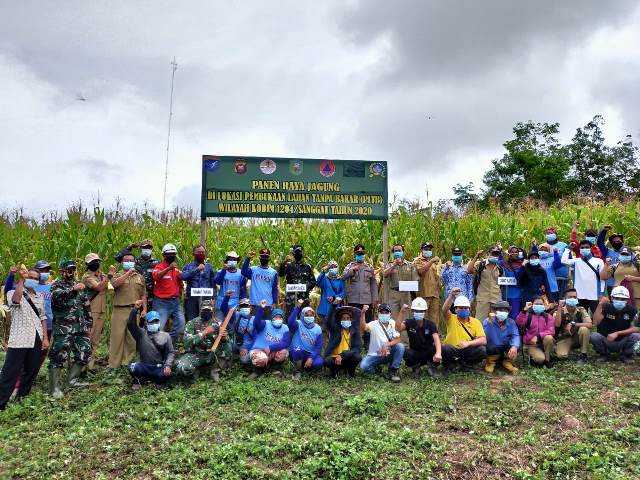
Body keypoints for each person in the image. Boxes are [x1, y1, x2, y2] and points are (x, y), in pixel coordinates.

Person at [0, 267, 48, 410]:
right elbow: (15, 300)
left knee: (31, 369)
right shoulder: (12, 292)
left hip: (36, 337)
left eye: (35, 279)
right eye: (30, 277)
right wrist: (20, 280)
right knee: (10, 371)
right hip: (20, 338)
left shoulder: (39, 297)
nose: (32, 280)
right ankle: (1, 402)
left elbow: (43, 317)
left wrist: (45, 337)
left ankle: (22, 396)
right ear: (25, 278)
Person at [48, 259, 93, 398]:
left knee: (84, 352)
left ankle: (71, 380)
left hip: (80, 326)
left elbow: (86, 304)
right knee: (59, 356)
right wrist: (73, 290)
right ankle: (54, 388)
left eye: (73, 269)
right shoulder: (56, 285)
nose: (71, 272)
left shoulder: (79, 285)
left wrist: (89, 323)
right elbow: (57, 297)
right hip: (63, 327)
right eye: (68, 269)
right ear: (62, 271)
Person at [175, 300, 232, 382]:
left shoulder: (218, 323)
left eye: (208, 310)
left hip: (213, 354)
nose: (206, 312)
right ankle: (195, 371)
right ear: (200, 311)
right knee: (182, 367)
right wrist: (204, 333)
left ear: (212, 311)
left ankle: (215, 370)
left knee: (228, 345)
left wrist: (223, 337)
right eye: (204, 310)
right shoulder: (192, 323)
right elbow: (187, 343)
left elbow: (225, 341)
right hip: (197, 353)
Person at [109, 252, 146, 370]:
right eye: (126, 260)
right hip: (119, 310)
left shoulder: (140, 277)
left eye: (131, 260)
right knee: (117, 338)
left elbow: (143, 294)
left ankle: (127, 364)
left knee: (131, 339)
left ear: (134, 262)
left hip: (134, 310)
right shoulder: (117, 275)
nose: (129, 262)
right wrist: (128, 273)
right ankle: (114, 365)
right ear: (122, 262)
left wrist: (144, 309)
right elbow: (114, 285)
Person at [127, 305, 174, 390]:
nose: (154, 324)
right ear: (146, 323)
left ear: (159, 322)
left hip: (158, 367)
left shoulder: (166, 336)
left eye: (156, 321)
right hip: (144, 365)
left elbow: (171, 352)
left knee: (165, 374)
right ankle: (139, 380)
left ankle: (159, 382)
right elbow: (130, 324)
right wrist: (134, 310)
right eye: (151, 322)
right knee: (133, 367)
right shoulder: (141, 333)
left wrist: (168, 365)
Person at [591, 286, 640, 363]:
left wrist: (617, 333)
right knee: (594, 336)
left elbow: (636, 328)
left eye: (623, 299)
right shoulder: (606, 307)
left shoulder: (632, 309)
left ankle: (626, 355)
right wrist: (600, 305)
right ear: (612, 298)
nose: (620, 301)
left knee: (637, 336)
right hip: (606, 339)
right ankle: (604, 354)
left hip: (623, 341)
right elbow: (596, 322)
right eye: (617, 298)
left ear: (627, 299)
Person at [440, 291, 487, 372]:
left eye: (466, 308)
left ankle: (466, 364)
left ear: (469, 309)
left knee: (482, 350)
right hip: (453, 349)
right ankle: (451, 365)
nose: (463, 310)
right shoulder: (451, 318)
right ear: (456, 309)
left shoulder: (476, 322)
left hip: (467, 349)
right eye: (461, 308)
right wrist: (451, 296)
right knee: (445, 349)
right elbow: (444, 309)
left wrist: (468, 343)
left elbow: (483, 340)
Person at [396, 298, 442, 378]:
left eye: (421, 311)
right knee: (405, 351)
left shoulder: (431, 324)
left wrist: (438, 353)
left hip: (428, 353)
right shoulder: (409, 323)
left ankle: (432, 367)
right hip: (415, 353)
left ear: (425, 312)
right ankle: (415, 368)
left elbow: (436, 338)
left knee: (439, 349)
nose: (418, 313)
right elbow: (398, 328)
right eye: (416, 311)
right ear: (413, 311)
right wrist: (402, 311)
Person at [359, 303, 404, 382]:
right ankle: (376, 369)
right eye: (381, 312)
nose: (384, 314)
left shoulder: (393, 323)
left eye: (386, 312)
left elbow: (398, 339)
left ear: (390, 314)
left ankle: (392, 371)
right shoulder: (374, 324)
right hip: (375, 355)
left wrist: (387, 345)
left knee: (400, 346)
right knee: (363, 366)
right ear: (378, 314)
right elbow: (363, 327)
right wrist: (363, 313)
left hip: (389, 353)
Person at [81, 253, 111, 371]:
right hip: (91, 310)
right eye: (93, 262)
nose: (96, 264)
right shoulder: (87, 277)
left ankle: (90, 365)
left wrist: (106, 276)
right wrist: (108, 276)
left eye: (97, 261)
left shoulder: (101, 275)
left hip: (101, 310)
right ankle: (82, 367)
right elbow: (98, 287)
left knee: (95, 340)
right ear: (87, 264)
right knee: (88, 338)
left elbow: (109, 287)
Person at [152, 243, 185, 346]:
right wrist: (168, 268)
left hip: (175, 302)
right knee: (158, 328)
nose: (172, 255)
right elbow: (156, 276)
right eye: (169, 254)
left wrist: (179, 295)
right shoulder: (159, 267)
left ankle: (168, 345)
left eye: (173, 254)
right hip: (162, 302)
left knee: (180, 325)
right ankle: (154, 350)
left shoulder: (176, 269)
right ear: (164, 255)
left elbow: (180, 284)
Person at [561, 239, 606, 314]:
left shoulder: (598, 261)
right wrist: (569, 248)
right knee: (580, 317)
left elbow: (602, 278)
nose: (584, 249)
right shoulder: (576, 261)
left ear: (591, 248)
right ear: (579, 249)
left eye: (586, 247)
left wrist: (602, 293)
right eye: (582, 247)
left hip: (594, 295)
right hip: (579, 295)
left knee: (597, 318)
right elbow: (563, 261)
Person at [248, 302, 290, 375]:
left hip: (272, 351)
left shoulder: (285, 327)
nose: (278, 319)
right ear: (271, 318)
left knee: (284, 352)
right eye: (275, 317)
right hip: (259, 349)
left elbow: (285, 343)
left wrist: (270, 348)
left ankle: (274, 368)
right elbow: (256, 323)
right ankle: (257, 371)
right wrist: (261, 309)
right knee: (261, 358)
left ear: (283, 319)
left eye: (280, 317)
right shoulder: (265, 323)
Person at [341, 244, 378, 324]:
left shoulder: (369, 267)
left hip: (366, 300)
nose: (360, 255)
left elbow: (373, 283)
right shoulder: (350, 266)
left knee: (367, 323)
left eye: (362, 254)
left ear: (364, 254)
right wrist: (353, 270)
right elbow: (343, 277)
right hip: (354, 300)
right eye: (358, 254)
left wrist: (375, 298)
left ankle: (366, 337)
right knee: (354, 322)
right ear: (355, 254)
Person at [323, 302, 362, 378]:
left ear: (351, 319)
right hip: (334, 357)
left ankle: (351, 372)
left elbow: (357, 348)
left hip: (347, 357)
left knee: (357, 357)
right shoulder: (335, 329)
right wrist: (333, 306)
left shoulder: (355, 331)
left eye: (348, 318)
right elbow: (328, 322)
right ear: (340, 320)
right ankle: (334, 372)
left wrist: (342, 356)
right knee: (327, 360)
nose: (346, 320)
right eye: (343, 318)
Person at [287, 300, 323, 380]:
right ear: (302, 315)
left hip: (310, 353)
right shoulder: (298, 324)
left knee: (319, 363)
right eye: (307, 315)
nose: (309, 317)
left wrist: (311, 358)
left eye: (311, 315)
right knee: (298, 351)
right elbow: (290, 322)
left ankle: (306, 367)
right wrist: (298, 307)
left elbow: (318, 347)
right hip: (297, 351)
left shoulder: (317, 328)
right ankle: (297, 371)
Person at [554, 289, 592, 364]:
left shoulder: (581, 310)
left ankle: (583, 354)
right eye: (570, 297)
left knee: (584, 329)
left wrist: (573, 323)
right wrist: (559, 307)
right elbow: (557, 324)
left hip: (576, 338)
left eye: (574, 297)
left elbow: (590, 324)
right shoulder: (559, 311)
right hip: (564, 339)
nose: (573, 299)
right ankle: (562, 348)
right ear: (565, 299)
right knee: (561, 356)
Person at [515, 297, 555, 368]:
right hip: (532, 344)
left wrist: (538, 336)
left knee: (549, 337)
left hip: (544, 342)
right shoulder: (527, 315)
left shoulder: (548, 316)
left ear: (544, 305)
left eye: (541, 304)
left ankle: (548, 360)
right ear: (532, 305)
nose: (539, 306)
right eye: (536, 304)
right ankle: (535, 358)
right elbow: (518, 322)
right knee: (540, 359)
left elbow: (551, 331)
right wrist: (524, 311)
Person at [382, 244, 419, 321]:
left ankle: (404, 333)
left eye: (399, 250)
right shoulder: (390, 264)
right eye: (396, 251)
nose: (397, 252)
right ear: (393, 253)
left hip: (406, 294)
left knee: (406, 318)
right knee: (393, 318)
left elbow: (415, 281)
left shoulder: (410, 265)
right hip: (393, 294)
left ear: (403, 252)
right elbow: (385, 274)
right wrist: (394, 265)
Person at [181, 244, 217, 321]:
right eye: (198, 252)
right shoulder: (188, 266)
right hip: (191, 298)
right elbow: (183, 277)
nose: (201, 254)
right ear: (193, 253)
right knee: (191, 319)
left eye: (203, 252)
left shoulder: (209, 267)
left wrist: (214, 298)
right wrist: (197, 269)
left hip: (206, 298)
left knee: (206, 319)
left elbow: (212, 283)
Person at [482, 301, 519, 374]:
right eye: (500, 310)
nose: (503, 312)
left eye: (505, 310)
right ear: (495, 311)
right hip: (493, 347)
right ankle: (490, 362)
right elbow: (485, 336)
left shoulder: (511, 322)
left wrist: (514, 346)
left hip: (505, 346)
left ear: (508, 312)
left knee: (517, 344)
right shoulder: (487, 321)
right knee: (490, 347)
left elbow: (515, 335)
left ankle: (507, 362)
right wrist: (490, 323)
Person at [468, 246, 503, 324]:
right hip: (482, 299)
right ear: (488, 254)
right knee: (480, 322)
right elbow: (469, 270)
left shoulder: (500, 269)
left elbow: (502, 285)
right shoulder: (480, 264)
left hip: (496, 299)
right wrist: (476, 256)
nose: (495, 256)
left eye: (497, 254)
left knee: (495, 323)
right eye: (493, 253)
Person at [278, 244, 316, 316]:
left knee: (304, 318)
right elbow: (281, 274)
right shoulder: (289, 266)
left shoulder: (307, 267)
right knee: (290, 318)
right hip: (291, 299)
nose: (298, 254)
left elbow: (313, 281)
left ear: (303, 253)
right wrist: (284, 262)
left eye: (300, 252)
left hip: (303, 298)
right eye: (296, 252)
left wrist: (305, 287)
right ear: (293, 254)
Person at [220, 295, 255, 366]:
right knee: (223, 346)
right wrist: (227, 297)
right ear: (239, 308)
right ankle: (235, 355)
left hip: (247, 345)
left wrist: (248, 348)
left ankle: (240, 356)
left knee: (244, 361)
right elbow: (223, 308)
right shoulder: (236, 315)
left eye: (246, 306)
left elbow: (257, 339)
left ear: (250, 308)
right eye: (242, 306)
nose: (244, 308)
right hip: (235, 343)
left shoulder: (255, 320)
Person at [241, 248, 279, 314]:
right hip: (254, 304)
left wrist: (274, 302)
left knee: (266, 324)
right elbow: (243, 271)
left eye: (266, 256)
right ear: (259, 257)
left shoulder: (273, 272)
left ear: (269, 258)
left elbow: (274, 288)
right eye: (262, 256)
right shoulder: (253, 270)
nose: (264, 258)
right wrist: (248, 258)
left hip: (268, 304)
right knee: (254, 323)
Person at [412, 242, 441, 324]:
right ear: (421, 250)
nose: (428, 251)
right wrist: (431, 261)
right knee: (422, 318)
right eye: (426, 249)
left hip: (434, 294)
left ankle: (433, 335)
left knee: (434, 319)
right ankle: (421, 335)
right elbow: (421, 271)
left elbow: (437, 278)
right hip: (423, 293)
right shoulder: (417, 260)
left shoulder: (434, 263)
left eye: (429, 249)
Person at [597, 225, 627, 294]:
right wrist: (604, 231)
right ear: (611, 243)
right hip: (611, 284)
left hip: (625, 283)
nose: (616, 242)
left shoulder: (628, 252)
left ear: (622, 241)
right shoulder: (607, 252)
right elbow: (600, 243)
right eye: (614, 241)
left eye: (618, 241)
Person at [315, 260, 346, 327]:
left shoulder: (340, 280)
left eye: (335, 267)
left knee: (334, 329)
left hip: (336, 307)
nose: (333, 268)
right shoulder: (324, 279)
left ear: (337, 268)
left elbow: (343, 293)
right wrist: (323, 271)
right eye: (331, 267)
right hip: (324, 308)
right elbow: (317, 283)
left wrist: (334, 297)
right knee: (324, 329)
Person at [543, 226, 569, 297]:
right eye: (548, 233)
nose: (549, 235)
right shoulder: (542, 246)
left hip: (562, 277)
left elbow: (568, 259)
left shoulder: (563, 245)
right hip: (548, 279)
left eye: (551, 233)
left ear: (555, 234)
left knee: (561, 300)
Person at [134, 239, 159, 311]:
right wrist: (129, 247)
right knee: (137, 318)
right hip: (137, 295)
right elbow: (118, 258)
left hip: (152, 295)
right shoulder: (135, 261)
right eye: (144, 247)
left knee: (151, 318)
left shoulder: (156, 263)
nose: (146, 249)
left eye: (149, 248)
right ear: (140, 248)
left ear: (152, 249)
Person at [499, 246, 524, 315]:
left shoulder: (522, 264)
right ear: (508, 253)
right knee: (504, 315)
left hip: (517, 294)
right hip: (505, 293)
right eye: (512, 252)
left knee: (515, 315)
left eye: (516, 252)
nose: (514, 253)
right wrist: (500, 251)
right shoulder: (503, 263)